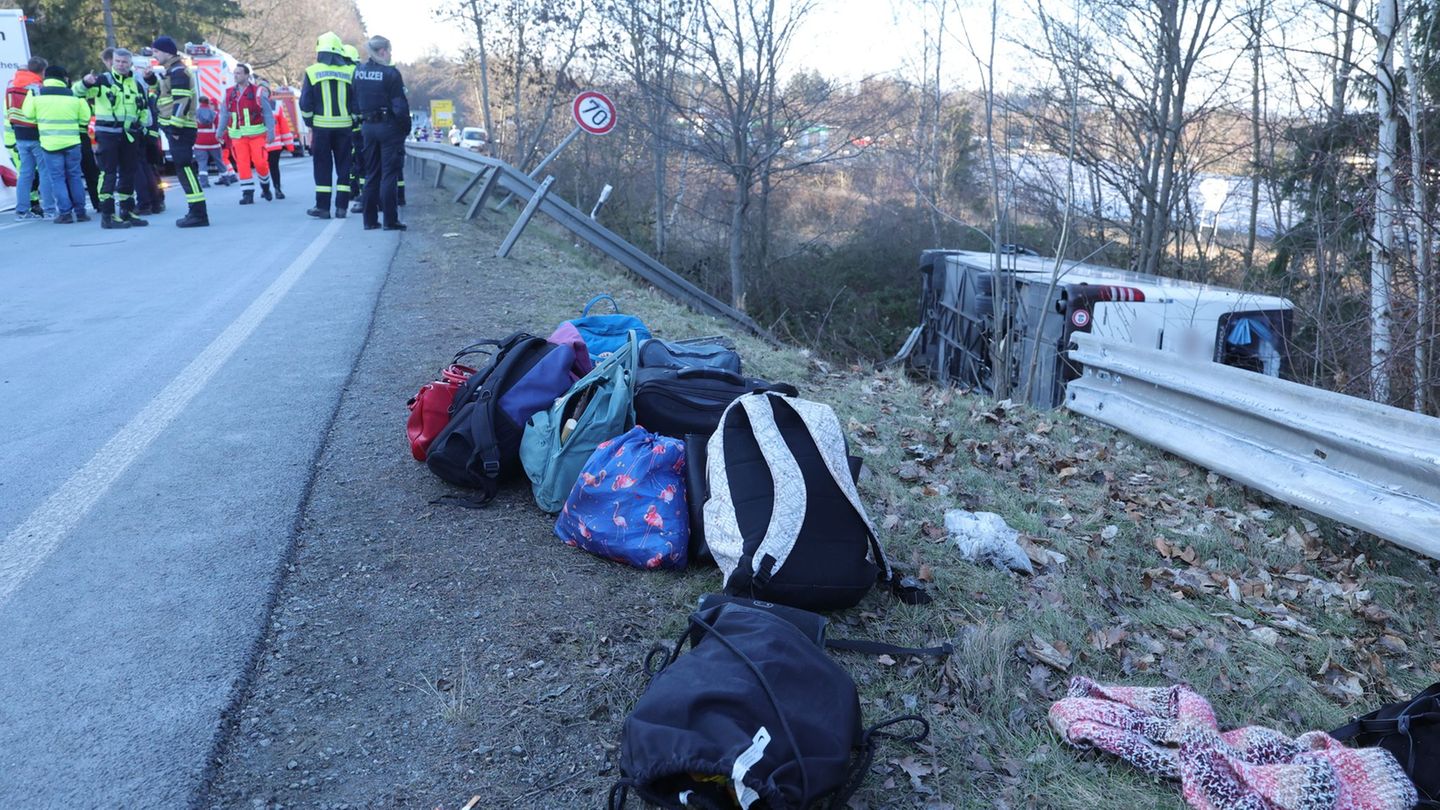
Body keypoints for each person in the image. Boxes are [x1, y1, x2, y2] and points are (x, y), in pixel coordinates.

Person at [83, 48, 148, 229]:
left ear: (130, 64)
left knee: (129, 172)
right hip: (108, 134)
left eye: (124, 62)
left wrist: (142, 126)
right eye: (117, 61)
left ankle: (127, 211)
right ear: (112, 62)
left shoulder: (136, 82)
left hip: (129, 134)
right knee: (108, 173)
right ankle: (108, 215)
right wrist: (85, 83)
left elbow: (143, 107)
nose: (120, 65)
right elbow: (80, 92)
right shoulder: (103, 80)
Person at [150, 36, 208, 227]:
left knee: (185, 169)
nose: (154, 54)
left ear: (167, 52)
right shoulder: (172, 71)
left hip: (180, 129)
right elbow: (164, 95)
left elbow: (181, 102)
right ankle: (196, 212)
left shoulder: (177, 72)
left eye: (157, 51)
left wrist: (175, 126)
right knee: (184, 169)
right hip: (178, 128)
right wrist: (151, 80)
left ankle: (198, 213)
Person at [353, 35, 409, 231]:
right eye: (389, 51)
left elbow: (354, 99)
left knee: (372, 173)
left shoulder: (358, 71)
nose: (390, 54)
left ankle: (369, 220)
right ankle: (390, 220)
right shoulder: (391, 74)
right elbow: (400, 106)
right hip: (388, 127)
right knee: (389, 175)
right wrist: (404, 129)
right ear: (383, 51)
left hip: (367, 127)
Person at [23, 65, 91, 223]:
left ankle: (65, 214)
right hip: (73, 143)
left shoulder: (37, 95)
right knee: (74, 177)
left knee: (57, 179)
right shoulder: (74, 95)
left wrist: (30, 96)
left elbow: (28, 115)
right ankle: (81, 212)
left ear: (46, 77)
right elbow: (85, 118)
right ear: (64, 78)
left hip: (50, 145)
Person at [299, 32, 356, 219]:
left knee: (323, 167)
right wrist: (354, 118)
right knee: (344, 167)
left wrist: (309, 121)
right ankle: (341, 208)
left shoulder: (312, 71)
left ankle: (323, 207)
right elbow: (357, 101)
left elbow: (305, 103)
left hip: (321, 128)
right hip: (345, 128)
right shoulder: (350, 72)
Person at [219, 63, 275, 204]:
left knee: (260, 162)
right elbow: (225, 114)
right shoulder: (229, 93)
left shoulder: (257, 92)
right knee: (242, 165)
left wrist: (271, 132)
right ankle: (247, 194)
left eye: (239, 73)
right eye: (235, 73)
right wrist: (220, 131)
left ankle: (265, 186)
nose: (236, 75)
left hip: (257, 135)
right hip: (238, 136)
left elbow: (268, 113)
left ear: (246, 75)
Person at [6, 57, 52, 220]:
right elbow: (41, 110)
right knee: (45, 171)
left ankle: (21, 211)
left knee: (25, 174)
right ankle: (49, 209)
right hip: (35, 133)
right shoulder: (37, 87)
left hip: (18, 133)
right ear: (41, 71)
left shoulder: (12, 83)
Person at [261, 79, 293, 199]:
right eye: (260, 90)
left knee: (274, 167)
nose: (262, 92)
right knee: (262, 167)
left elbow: (284, 125)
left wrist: (289, 144)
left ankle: (277, 189)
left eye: (265, 90)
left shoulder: (276, 105)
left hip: (274, 144)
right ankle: (265, 189)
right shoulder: (253, 105)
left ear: (269, 92)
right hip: (259, 144)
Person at [194, 97, 226, 186]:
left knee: (202, 163)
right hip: (214, 142)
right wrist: (221, 139)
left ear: (199, 102)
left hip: (200, 143)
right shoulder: (215, 113)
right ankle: (226, 179)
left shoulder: (195, 113)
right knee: (219, 161)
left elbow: (193, 127)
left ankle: (204, 182)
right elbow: (219, 127)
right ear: (208, 103)